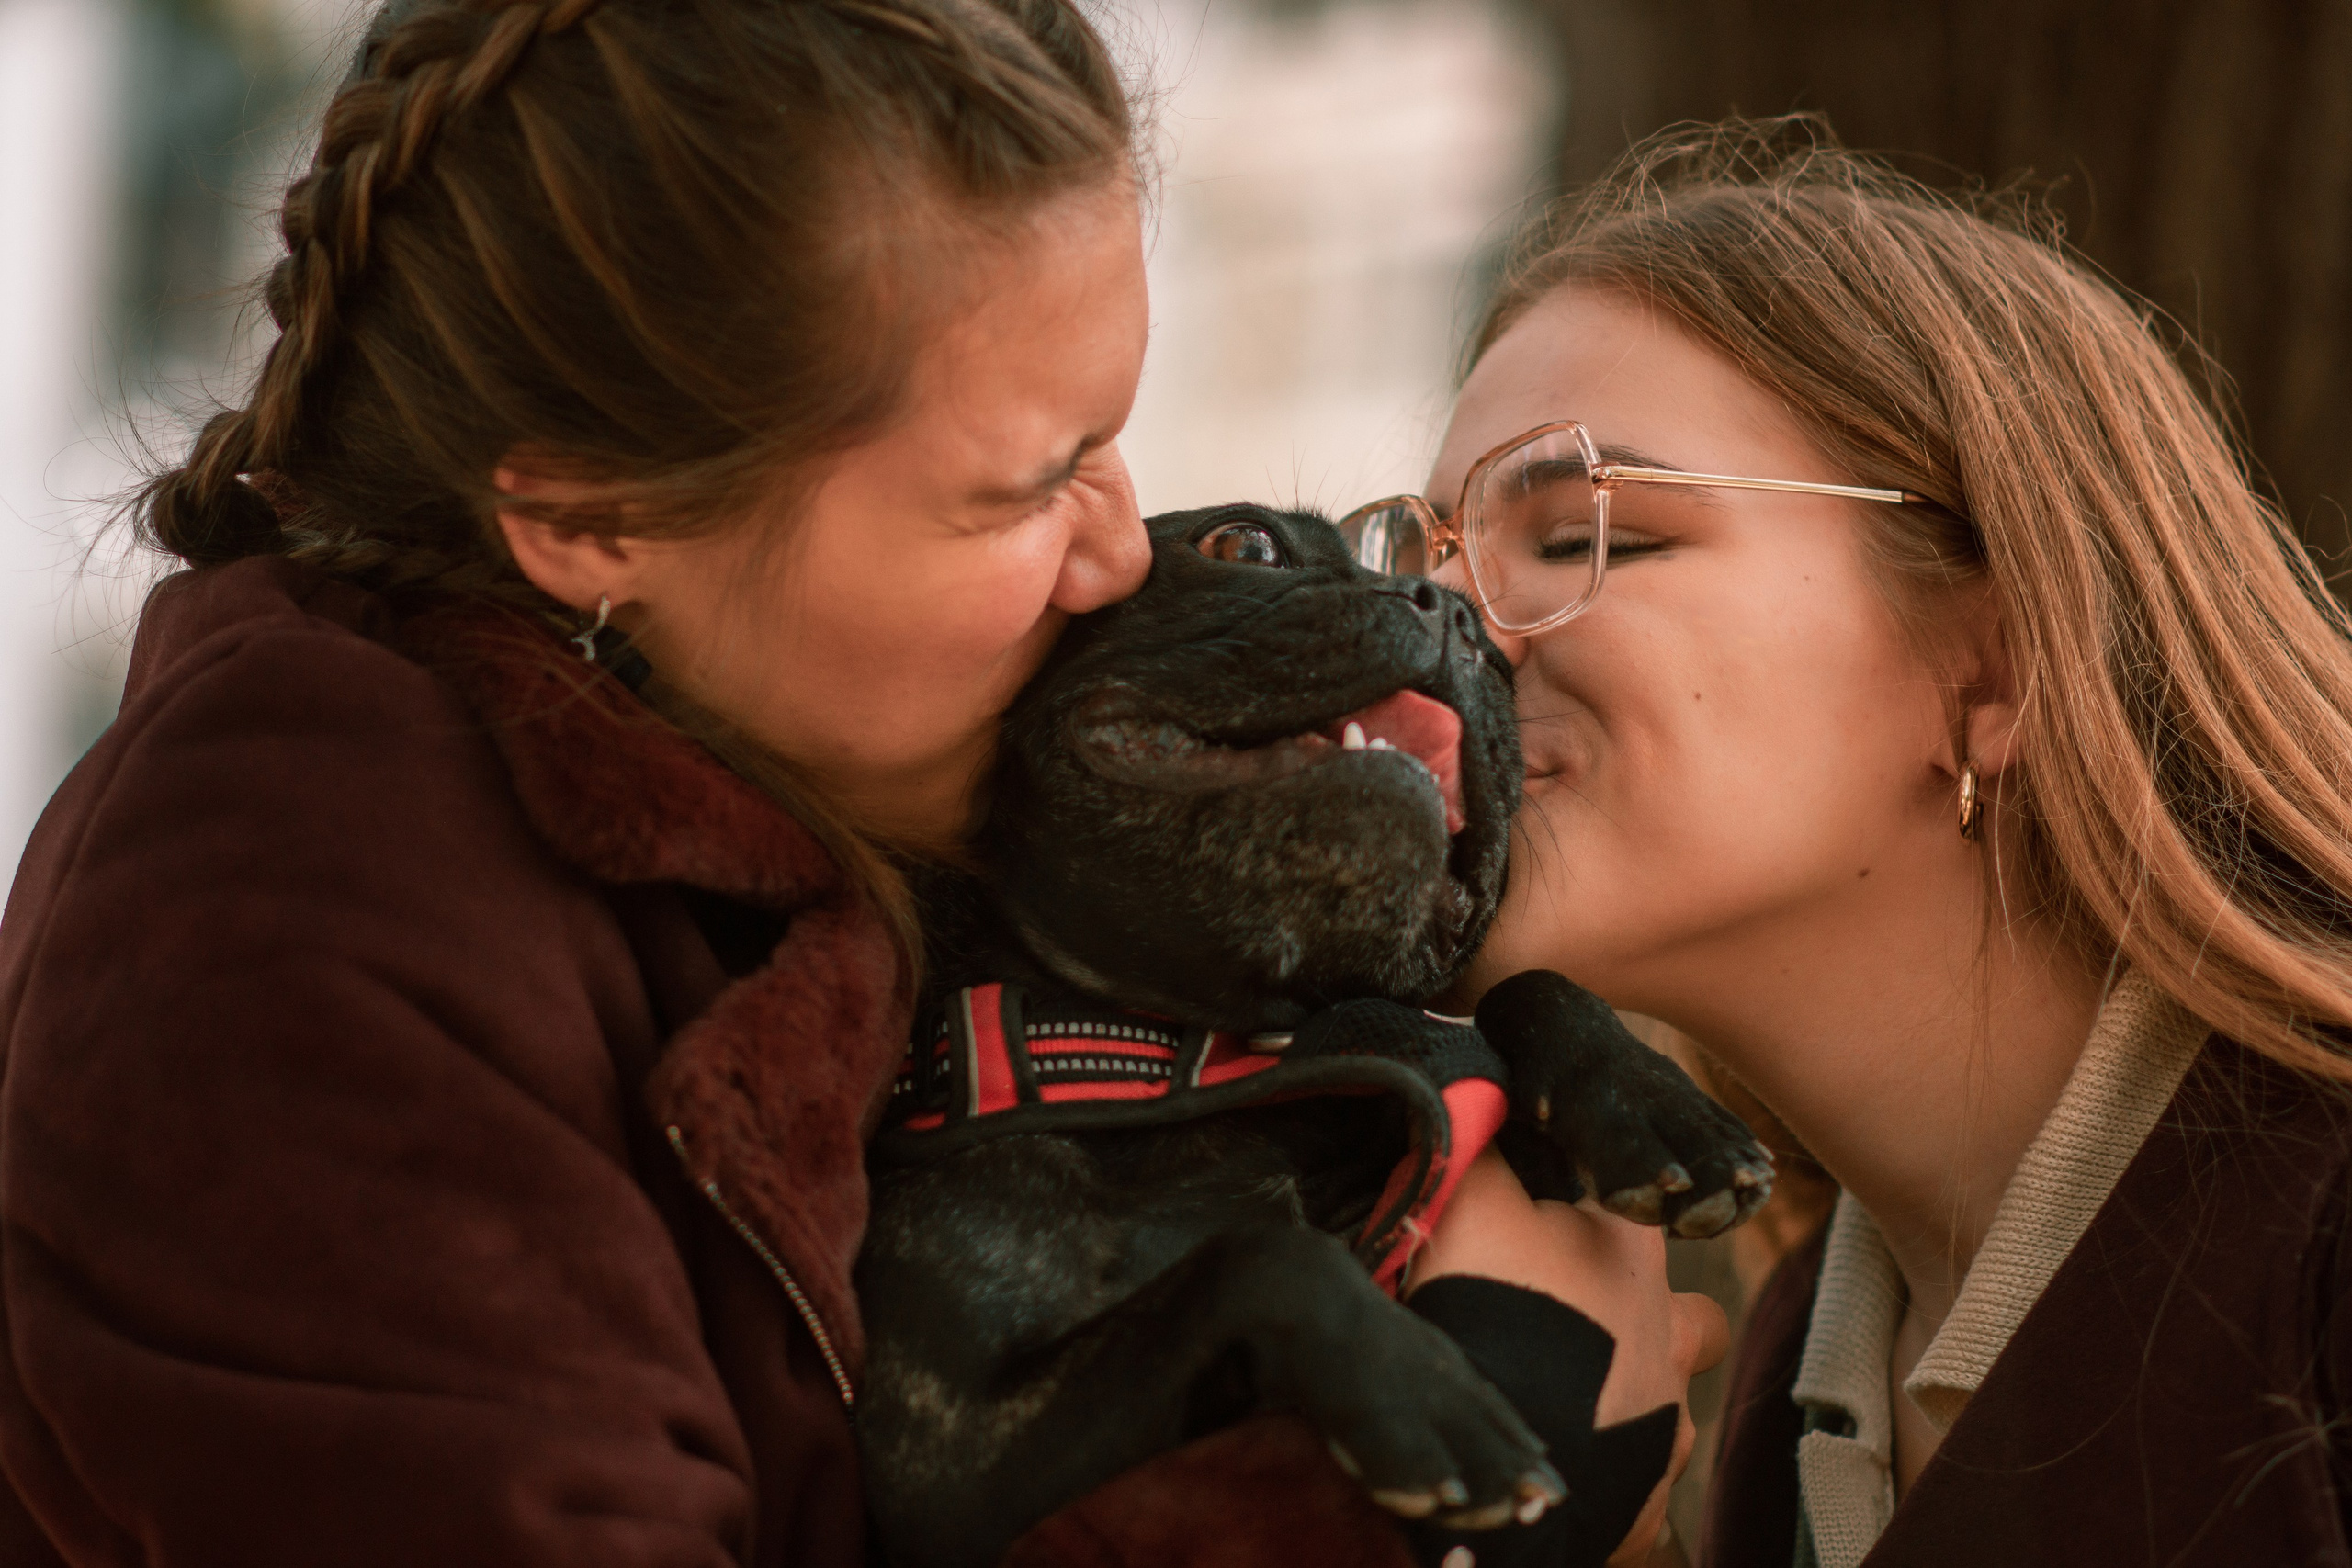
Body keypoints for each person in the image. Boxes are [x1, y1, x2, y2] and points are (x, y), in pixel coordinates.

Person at [0, 2, 1715, 1563]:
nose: (1117, 552)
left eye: (1112, 440)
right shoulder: (284, 909)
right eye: (1020, 489)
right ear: (596, 522)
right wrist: (1395, 1504)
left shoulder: (766, 793)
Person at [1356, 118, 2352, 1568]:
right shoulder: (1771, 1394)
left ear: (1995, 664)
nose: (1440, 644)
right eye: (1421, 566)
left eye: (1582, 540)